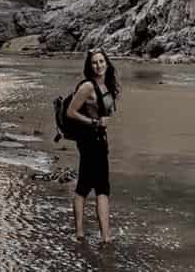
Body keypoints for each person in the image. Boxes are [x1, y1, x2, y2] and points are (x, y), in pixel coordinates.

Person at [66, 48, 119, 246]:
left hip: (99, 140)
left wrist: (101, 123)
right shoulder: (87, 86)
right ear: (89, 66)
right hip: (88, 141)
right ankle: (87, 233)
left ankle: (99, 235)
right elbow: (71, 112)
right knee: (91, 187)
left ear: (107, 63)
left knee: (96, 187)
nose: (99, 65)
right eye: (95, 62)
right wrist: (94, 123)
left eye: (101, 62)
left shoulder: (107, 85)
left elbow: (106, 112)